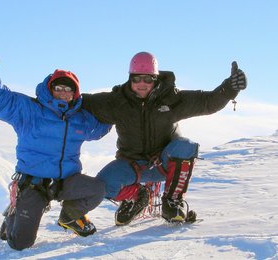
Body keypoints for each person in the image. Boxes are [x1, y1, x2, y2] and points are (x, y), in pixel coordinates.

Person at [81, 51, 247, 225]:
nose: (142, 84)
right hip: (132, 166)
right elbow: (81, 102)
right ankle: (137, 197)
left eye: (148, 79)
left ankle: (173, 201)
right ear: (130, 79)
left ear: (156, 79)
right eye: (137, 79)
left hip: (164, 164)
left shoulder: (171, 99)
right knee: (102, 186)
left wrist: (229, 88)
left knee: (185, 146)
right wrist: (55, 92)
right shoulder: (117, 102)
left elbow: (207, 102)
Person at [0, 50, 111, 250]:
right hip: (34, 183)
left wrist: (117, 113)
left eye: (69, 89)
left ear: (75, 94)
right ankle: (13, 214)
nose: (64, 92)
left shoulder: (79, 117)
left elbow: (100, 128)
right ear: (50, 89)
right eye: (59, 87)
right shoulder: (30, 110)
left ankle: (70, 217)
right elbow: (1, 99)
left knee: (97, 189)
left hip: (66, 181)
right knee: (21, 243)